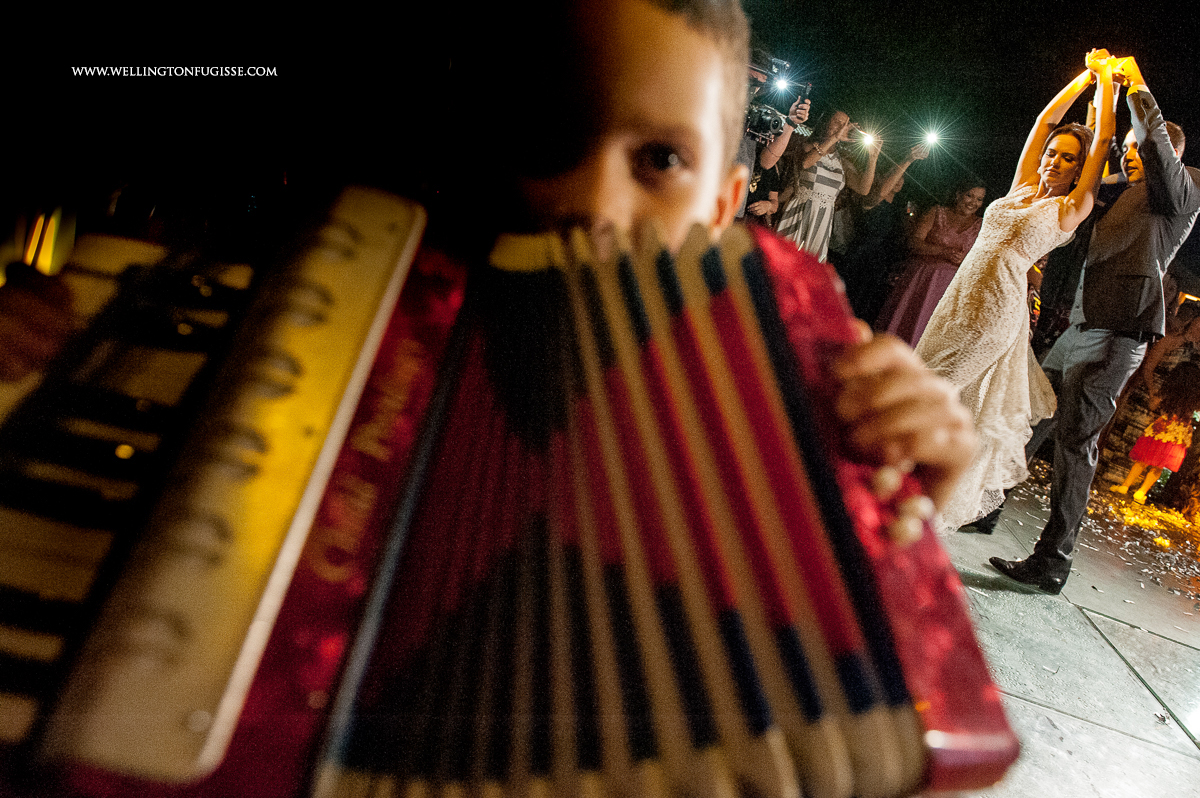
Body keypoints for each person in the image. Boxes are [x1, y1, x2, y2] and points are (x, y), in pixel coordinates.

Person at [987, 56, 1200, 594]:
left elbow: (1152, 145)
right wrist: (1098, 103)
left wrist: (1135, 87)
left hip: (1119, 333)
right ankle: (987, 505)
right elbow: (1081, 168)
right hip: (1082, 325)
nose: (1128, 154)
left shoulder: (1181, 189)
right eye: (1126, 148)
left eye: (1137, 149)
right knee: (1032, 417)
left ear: (1166, 155)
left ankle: (1052, 560)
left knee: (1075, 443)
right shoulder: (1124, 187)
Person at [915, 51, 1116, 535]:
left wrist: (1107, 83)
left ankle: (918, 493)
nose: (1056, 160)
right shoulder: (1022, 186)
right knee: (927, 381)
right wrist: (1081, 79)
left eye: (1069, 158)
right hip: (958, 300)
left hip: (995, 314)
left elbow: (1105, 137)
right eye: (1054, 152)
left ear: (1079, 169)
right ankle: (903, 482)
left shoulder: (1071, 206)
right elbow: (1045, 122)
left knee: (942, 392)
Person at [874, 179, 986, 346]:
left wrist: (965, 260)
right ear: (958, 194)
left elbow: (982, 261)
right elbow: (914, 242)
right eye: (969, 195)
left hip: (953, 288)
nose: (973, 203)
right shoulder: (937, 212)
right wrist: (943, 252)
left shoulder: (981, 225)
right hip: (923, 280)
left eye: (979, 199)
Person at [767, 108, 882, 262]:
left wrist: (872, 158)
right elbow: (806, 162)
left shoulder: (842, 161)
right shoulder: (808, 146)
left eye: (845, 124)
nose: (842, 127)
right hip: (801, 212)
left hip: (822, 221)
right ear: (826, 123)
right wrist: (834, 138)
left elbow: (863, 189)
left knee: (808, 269)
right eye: (837, 122)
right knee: (783, 261)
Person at [838, 144, 929, 322]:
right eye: (894, 173)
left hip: (881, 268)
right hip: (860, 262)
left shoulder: (901, 209)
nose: (899, 179)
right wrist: (908, 160)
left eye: (903, 176)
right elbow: (876, 195)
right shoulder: (870, 202)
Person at [1108, 361, 1199, 504]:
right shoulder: (1193, 401)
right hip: (1177, 436)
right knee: (1159, 467)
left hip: (1160, 431)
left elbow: (1153, 405)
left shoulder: (1168, 392)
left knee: (1142, 461)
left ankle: (1125, 486)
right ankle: (1141, 492)